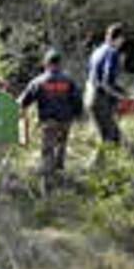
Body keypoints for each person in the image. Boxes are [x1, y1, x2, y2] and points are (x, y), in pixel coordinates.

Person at [18, 49, 83, 192]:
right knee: (61, 149)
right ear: (60, 63)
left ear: (46, 63)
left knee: (47, 152)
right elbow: (78, 100)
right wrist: (78, 115)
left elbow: (23, 101)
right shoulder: (69, 81)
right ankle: (60, 180)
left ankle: (47, 188)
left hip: (49, 123)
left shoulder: (38, 81)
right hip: (65, 122)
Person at [85, 23, 128, 150]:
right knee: (111, 138)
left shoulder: (97, 51)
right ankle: (102, 167)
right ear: (119, 38)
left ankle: (102, 166)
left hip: (89, 95)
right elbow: (106, 83)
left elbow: (93, 77)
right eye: (122, 39)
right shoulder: (112, 53)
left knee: (108, 136)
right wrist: (122, 97)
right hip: (100, 99)